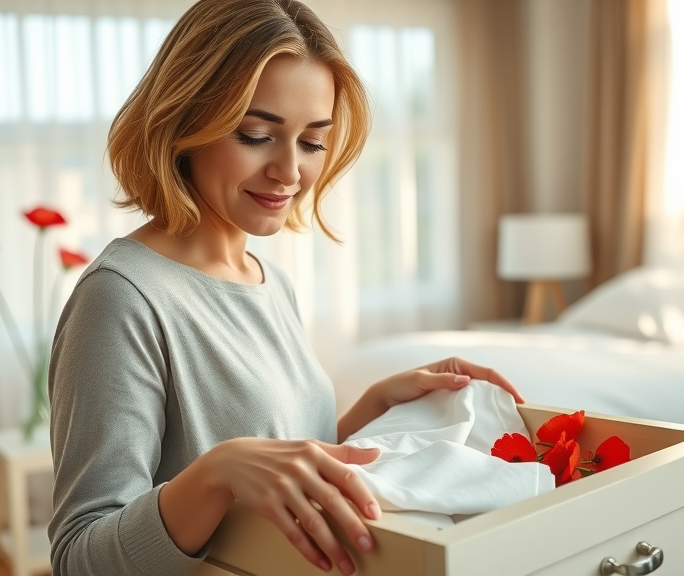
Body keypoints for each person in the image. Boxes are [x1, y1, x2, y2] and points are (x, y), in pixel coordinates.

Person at [47, 1, 523, 575]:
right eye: (255, 135)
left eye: (312, 142)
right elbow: (80, 558)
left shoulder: (270, 282)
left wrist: (371, 409)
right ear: (183, 126)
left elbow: (279, 462)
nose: (290, 172)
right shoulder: (121, 298)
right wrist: (217, 472)